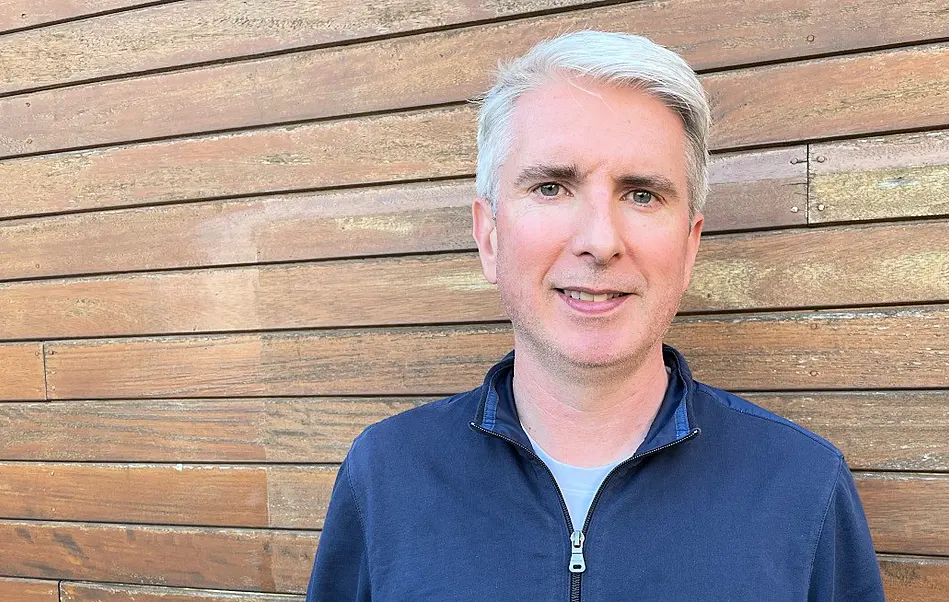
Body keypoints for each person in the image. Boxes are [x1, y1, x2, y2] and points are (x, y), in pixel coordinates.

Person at [306, 30, 885, 601]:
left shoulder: (803, 487)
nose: (599, 241)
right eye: (553, 187)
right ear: (489, 235)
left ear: (689, 247)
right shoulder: (385, 477)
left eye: (641, 194)